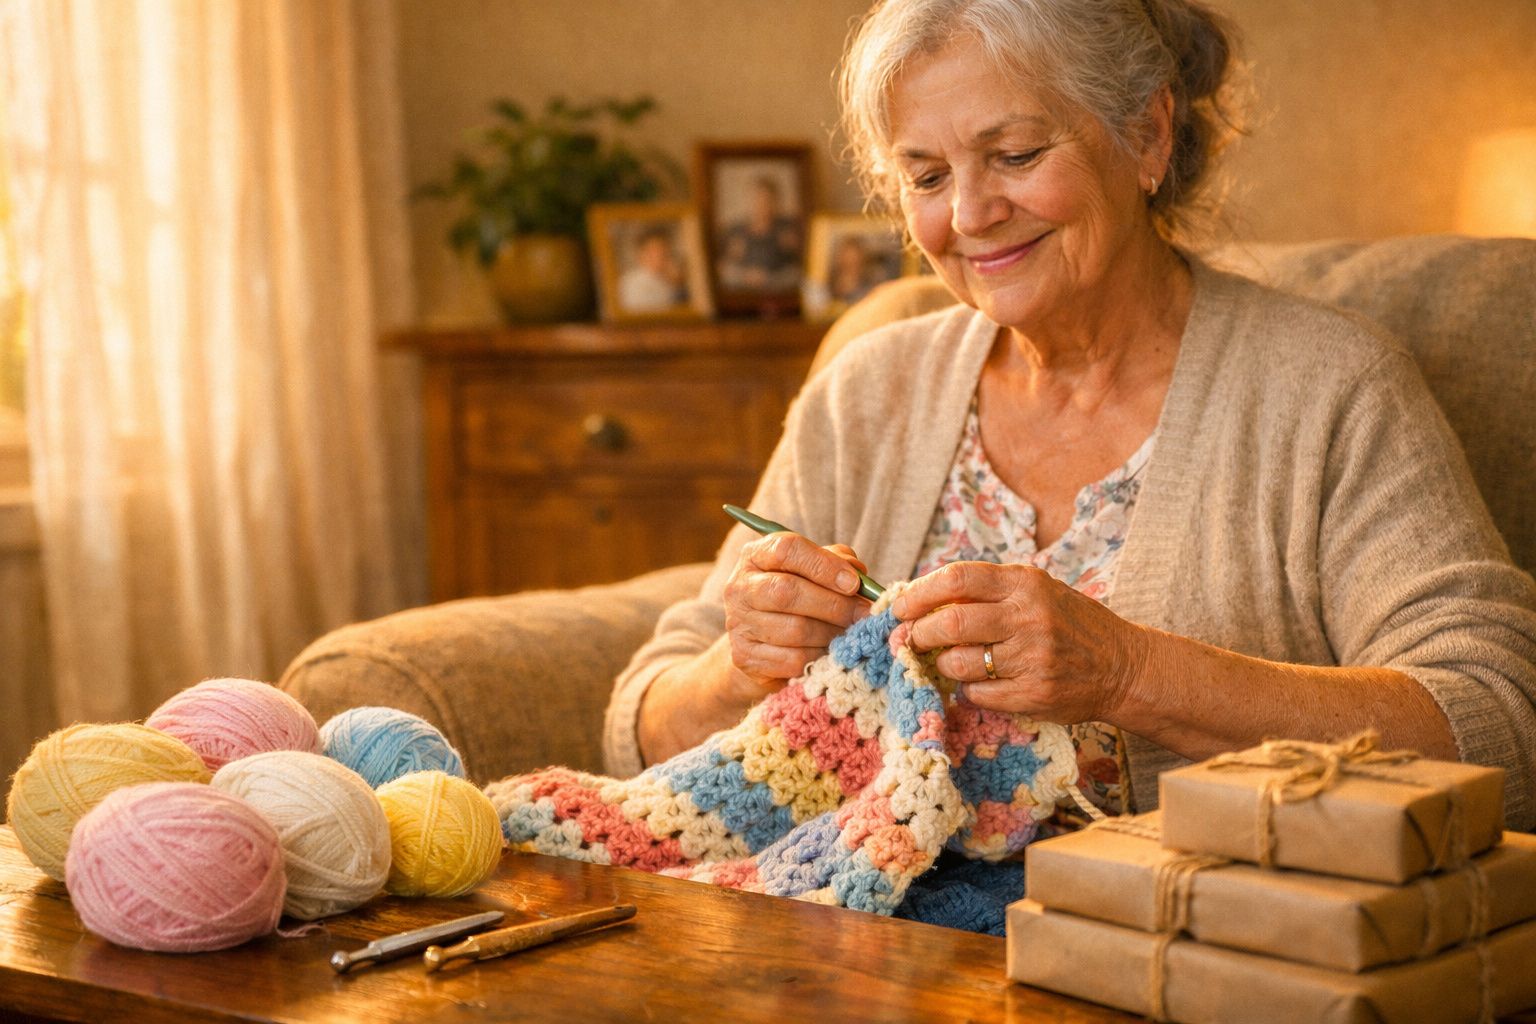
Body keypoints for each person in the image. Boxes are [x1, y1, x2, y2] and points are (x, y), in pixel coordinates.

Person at [603, 0, 1536, 928]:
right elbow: (640, 722)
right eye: (926, 175)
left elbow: (1501, 721)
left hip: (1170, 949)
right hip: (850, 940)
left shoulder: (1328, 387)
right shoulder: (871, 391)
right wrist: (739, 672)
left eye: (1015, 156)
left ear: (1147, 135)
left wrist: (1129, 673)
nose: (969, 214)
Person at [717, 175, 803, 291]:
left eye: (766, 199)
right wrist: (745, 276)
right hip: (742, 296)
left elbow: (798, 272)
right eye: (756, 198)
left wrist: (768, 279)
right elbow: (723, 271)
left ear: (775, 201)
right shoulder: (736, 232)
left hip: (777, 295)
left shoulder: (786, 230)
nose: (760, 204)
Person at [617, 225, 687, 312]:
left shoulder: (672, 279)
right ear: (642, 254)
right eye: (656, 250)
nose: (662, 255)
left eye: (665, 250)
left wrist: (678, 285)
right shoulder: (630, 283)